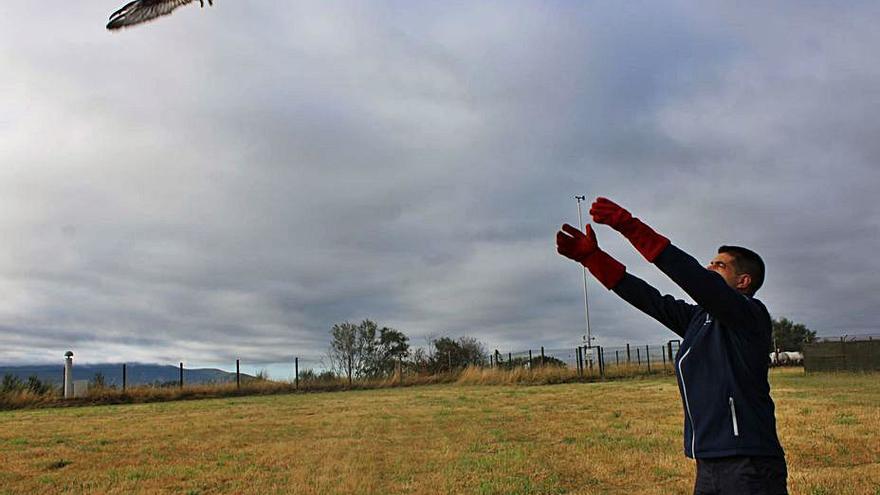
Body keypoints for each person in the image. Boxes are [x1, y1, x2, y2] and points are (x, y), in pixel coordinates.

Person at [556, 197, 787, 495]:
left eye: (719, 265)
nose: (709, 267)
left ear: (744, 281)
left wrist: (630, 227)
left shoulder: (749, 315)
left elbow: (694, 278)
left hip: (749, 463)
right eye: (710, 262)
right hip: (708, 461)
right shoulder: (699, 319)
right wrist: (594, 259)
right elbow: (650, 300)